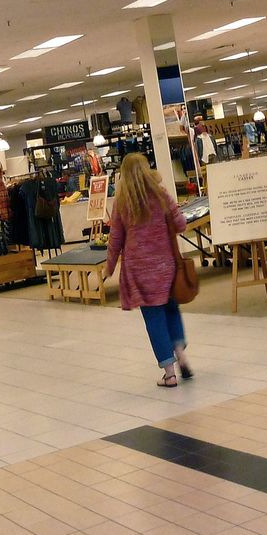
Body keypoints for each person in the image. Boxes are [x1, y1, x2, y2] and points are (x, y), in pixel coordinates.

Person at [105, 153, 192, 388]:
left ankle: (170, 373)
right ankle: (181, 353)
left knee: (154, 318)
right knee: (171, 310)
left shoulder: (122, 202)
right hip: (166, 265)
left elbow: (115, 238)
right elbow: (181, 224)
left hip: (139, 270)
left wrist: (109, 267)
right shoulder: (161, 194)